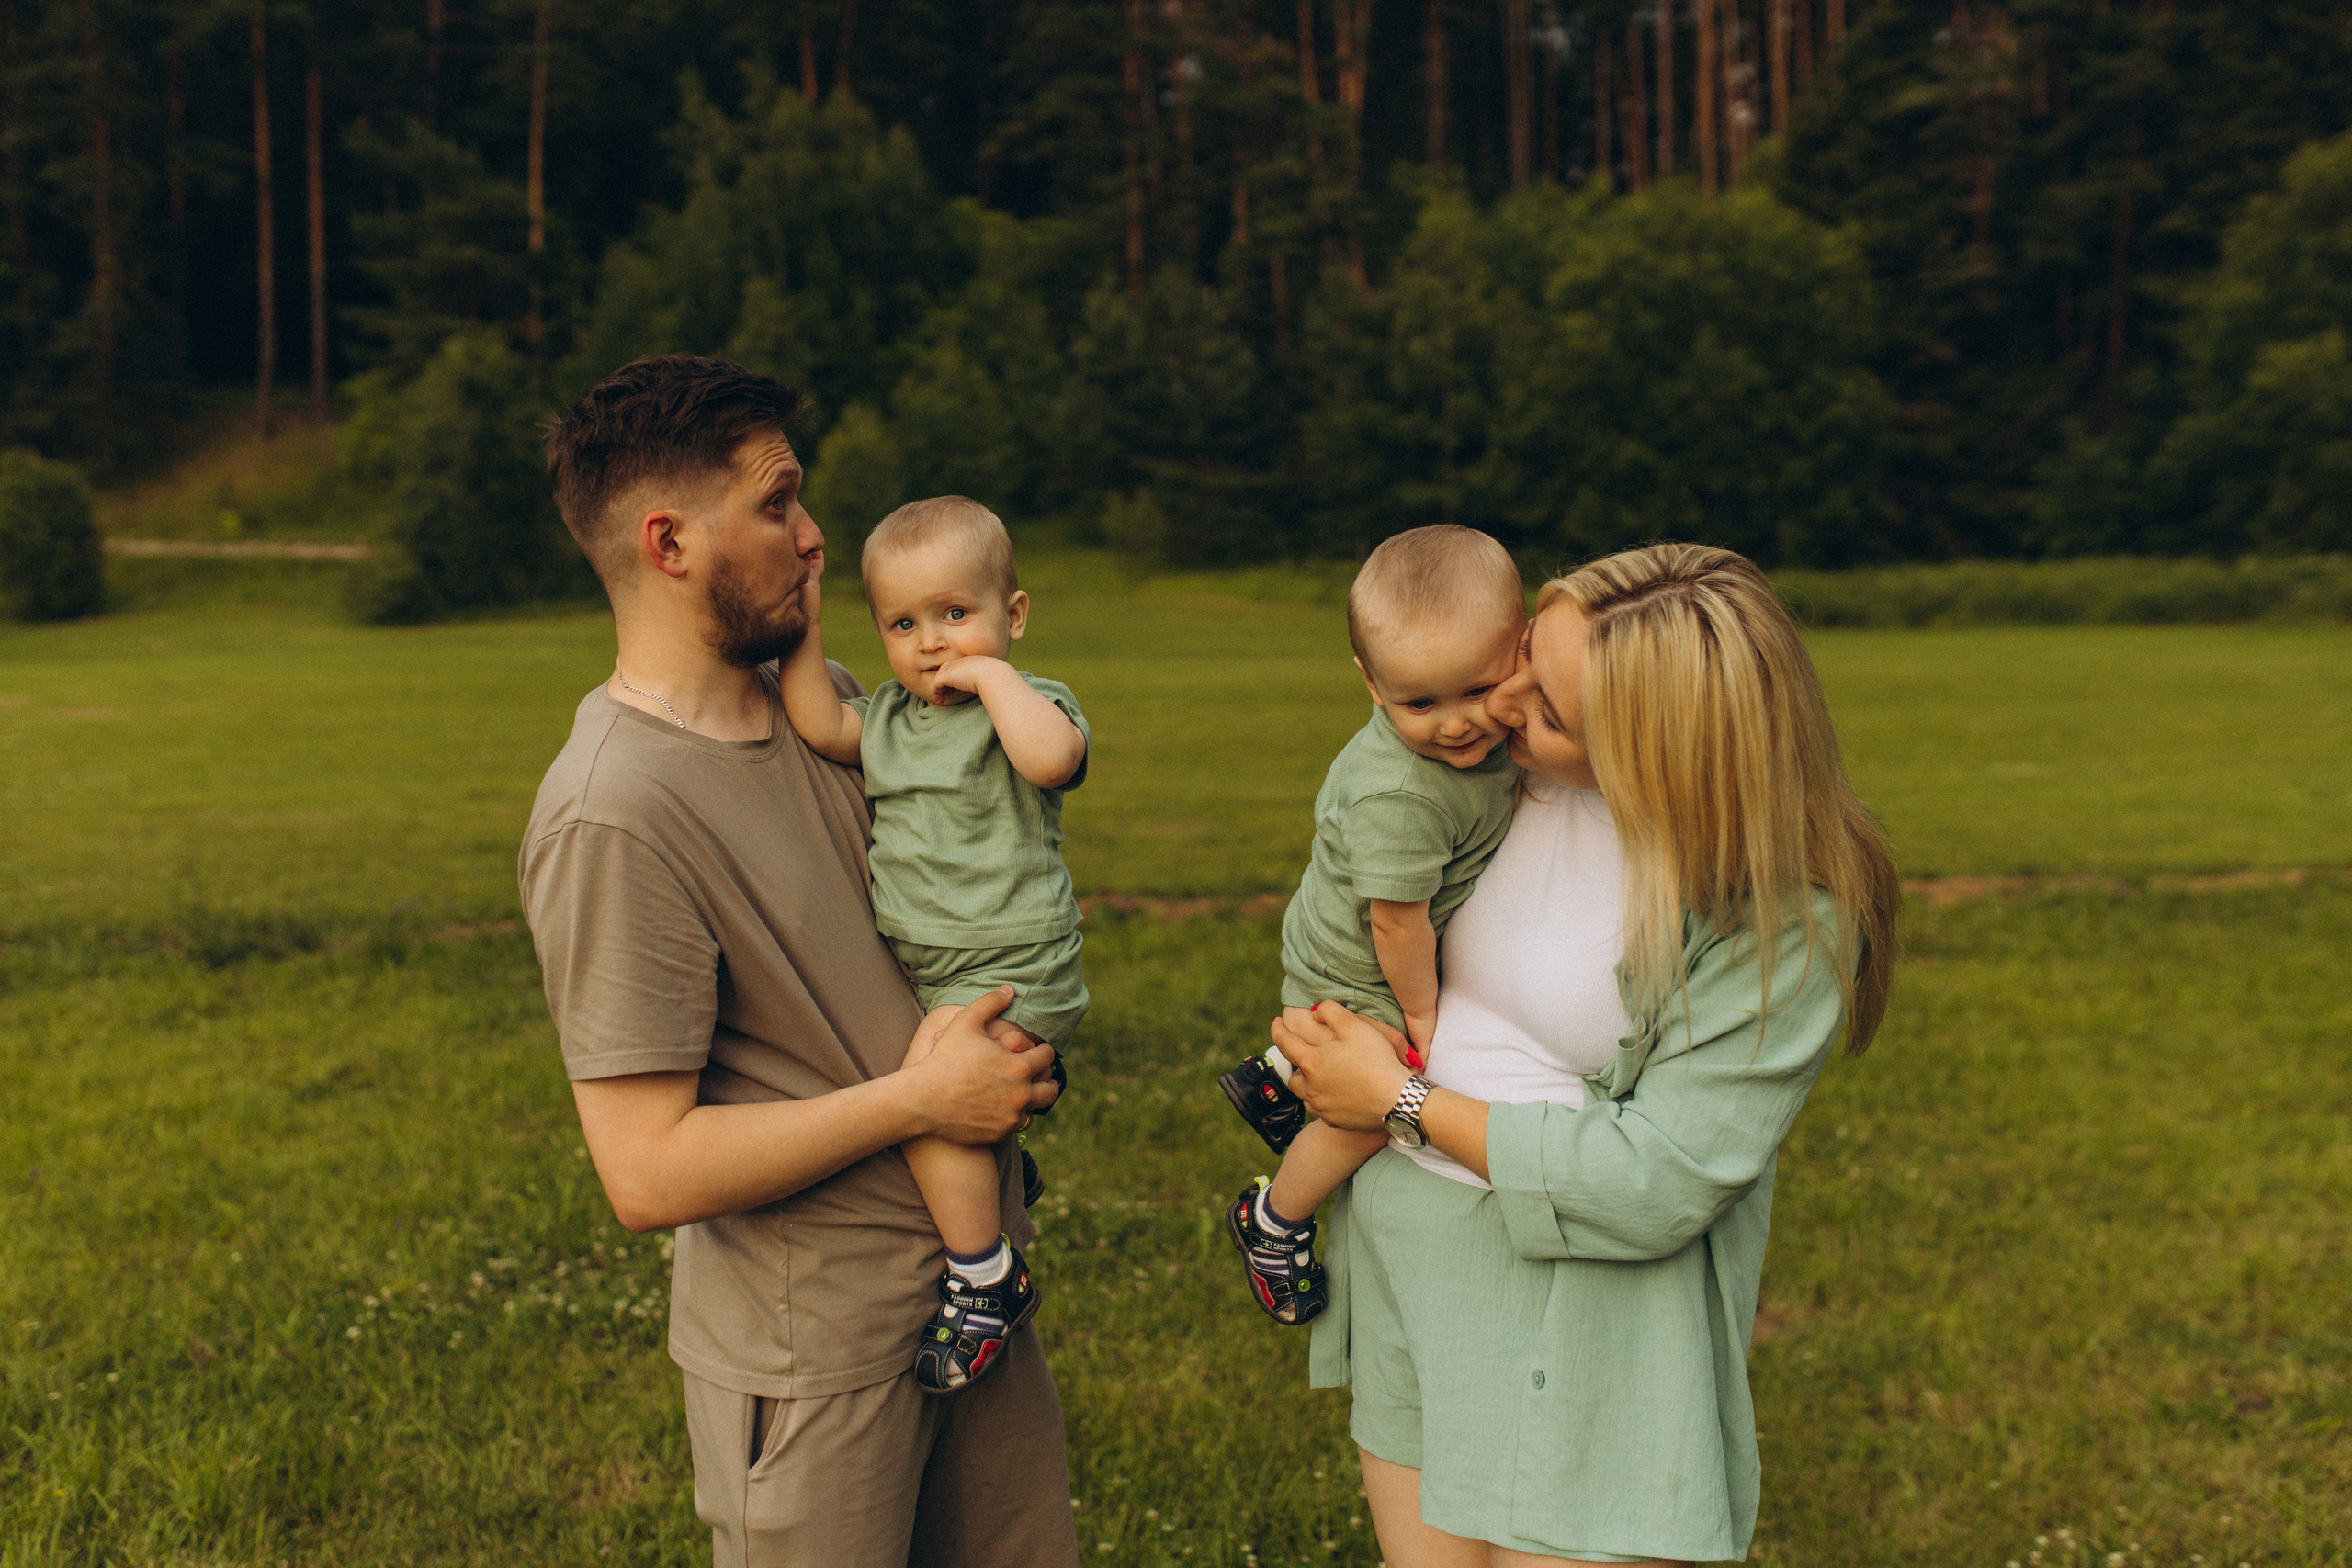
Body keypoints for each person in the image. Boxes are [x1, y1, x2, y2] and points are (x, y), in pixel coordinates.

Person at [517, 355, 1080, 1568]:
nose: (816, 535)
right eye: (777, 502)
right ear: (669, 541)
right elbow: (644, 1171)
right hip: (814, 1358)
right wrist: (926, 1099)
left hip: (974, 1292)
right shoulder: (614, 812)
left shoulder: (832, 706)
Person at [1265, 543, 1900, 1566]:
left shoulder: (1780, 917)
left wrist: (1397, 1099)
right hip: (1415, 1273)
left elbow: (1659, 1177)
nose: (1502, 704)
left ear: (1657, 752)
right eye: (1527, 654)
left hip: (1593, 1324)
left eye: (1550, 710)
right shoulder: (1483, 781)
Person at [779, 494, 1090, 1394]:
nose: (931, 643)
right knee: (939, 1099)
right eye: (904, 624)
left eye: (956, 614)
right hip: (937, 970)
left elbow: (1054, 759)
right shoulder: (885, 718)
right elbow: (818, 723)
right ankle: (994, 1180)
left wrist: (991, 678)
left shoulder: (1028, 705)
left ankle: (984, 1277)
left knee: (926, 1097)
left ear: (1013, 615)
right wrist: (803, 624)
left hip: (1014, 966)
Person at [1216, 525, 1523, 1325]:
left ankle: (1277, 1077)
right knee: (1379, 1108)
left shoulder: (1488, 742)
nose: (1456, 723)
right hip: (1359, 972)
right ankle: (1274, 1221)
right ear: (1371, 684)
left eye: (1478, 689)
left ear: (1520, 651)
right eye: (1421, 703)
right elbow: (1397, 925)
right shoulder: (1403, 796)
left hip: (1357, 950)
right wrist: (1421, 1015)